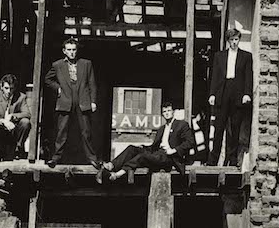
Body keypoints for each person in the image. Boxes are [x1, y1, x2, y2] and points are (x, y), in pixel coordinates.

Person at [99, 101, 194, 182]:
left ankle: (118, 174)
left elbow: (190, 142)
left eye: (169, 111)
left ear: (173, 112)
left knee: (142, 156)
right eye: (164, 112)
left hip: (169, 158)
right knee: (132, 148)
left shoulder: (181, 125)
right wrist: (143, 147)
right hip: (157, 154)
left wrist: (174, 150)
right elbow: (154, 147)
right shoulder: (161, 129)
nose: (167, 113)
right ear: (162, 114)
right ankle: (111, 165)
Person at [45, 38, 100, 168]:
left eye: (74, 50)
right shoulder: (57, 65)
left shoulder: (86, 64)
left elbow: (92, 83)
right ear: (64, 51)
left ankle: (92, 159)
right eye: (69, 50)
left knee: (86, 131)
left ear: (77, 50)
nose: (72, 52)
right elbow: (47, 79)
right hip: (65, 98)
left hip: (83, 99)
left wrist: (93, 101)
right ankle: (56, 158)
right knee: (61, 131)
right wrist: (58, 88)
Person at [208, 28, 253, 167]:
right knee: (219, 127)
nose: (234, 42)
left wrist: (247, 94)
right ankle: (213, 160)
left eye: (236, 39)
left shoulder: (246, 56)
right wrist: (212, 94)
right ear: (228, 41)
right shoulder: (219, 56)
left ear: (239, 40)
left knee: (235, 128)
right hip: (223, 91)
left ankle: (232, 160)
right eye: (232, 40)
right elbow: (215, 76)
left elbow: (248, 76)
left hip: (238, 92)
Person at [0, 74, 31, 160]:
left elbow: (27, 114)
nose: (9, 91)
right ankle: (0, 149)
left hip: (14, 129)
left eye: (11, 88)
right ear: (1, 87)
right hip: (1, 129)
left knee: (25, 122)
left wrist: (13, 116)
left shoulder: (21, 97)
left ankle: (18, 148)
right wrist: (3, 121)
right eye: (6, 88)